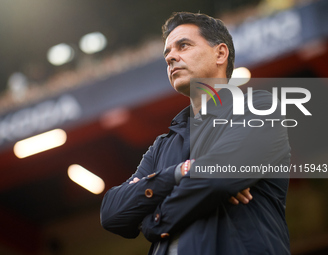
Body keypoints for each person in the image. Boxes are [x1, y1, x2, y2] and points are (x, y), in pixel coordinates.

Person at [101, 12, 291, 255]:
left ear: (220, 53)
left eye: (183, 45)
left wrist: (152, 221)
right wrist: (180, 172)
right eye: (167, 53)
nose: (170, 57)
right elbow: (111, 213)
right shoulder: (162, 145)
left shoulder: (261, 109)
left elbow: (214, 180)